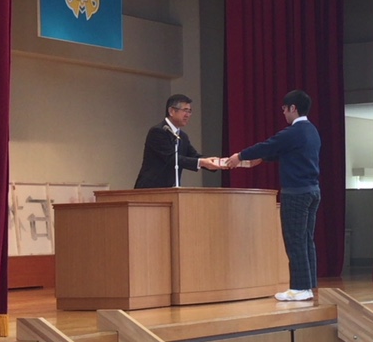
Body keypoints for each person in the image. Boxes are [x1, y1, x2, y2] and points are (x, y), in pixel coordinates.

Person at [225, 90, 321, 301]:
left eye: (285, 109)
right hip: (313, 191)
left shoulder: (293, 132)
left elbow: (269, 145)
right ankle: (309, 286)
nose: (283, 113)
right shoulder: (311, 130)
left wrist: (239, 156)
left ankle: (299, 288)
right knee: (306, 239)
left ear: (293, 108)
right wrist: (263, 158)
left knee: (294, 240)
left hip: (296, 193)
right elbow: (287, 152)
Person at [134, 94, 221, 188]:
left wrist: (216, 163)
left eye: (189, 111)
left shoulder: (182, 136)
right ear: (171, 111)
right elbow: (171, 158)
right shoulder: (158, 131)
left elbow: (193, 156)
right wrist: (202, 162)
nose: (188, 115)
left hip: (171, 190)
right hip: (151, 189)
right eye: (185, 110)